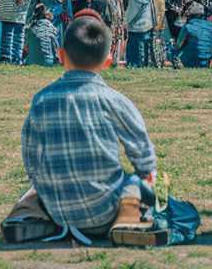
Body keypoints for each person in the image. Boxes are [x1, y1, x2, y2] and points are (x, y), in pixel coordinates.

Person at [9, 13, 161, 246]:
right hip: (105, 210)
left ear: (61, 55)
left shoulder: (41, 100)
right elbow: (141, 150)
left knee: (33, 190)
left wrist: (43, 184)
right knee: (134, 184)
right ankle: (127, 220)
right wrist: (147, 177)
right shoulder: (113, 100)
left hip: (57, 209)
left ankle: (25, 214)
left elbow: (32, 158)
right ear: (108, 61)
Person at [174, 3, 212, 68]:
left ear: (190, 15)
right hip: (206, 62)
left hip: (190, 62)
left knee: (170, 49)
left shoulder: (187, 27)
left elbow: (178, 46)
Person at [124, 0, 155, 68]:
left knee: (133, 48)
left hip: (135, 27)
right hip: (147, 25)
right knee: (145, 47)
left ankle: (133, 64)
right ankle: (144, 64)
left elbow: (130, 13)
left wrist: (126, 22)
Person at [98, 0, 126, 66]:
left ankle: (115, 61)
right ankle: (105, 60)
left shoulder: (119, 0)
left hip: (118, 24)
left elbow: (122, 12)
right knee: (109, 42)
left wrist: (123, 23)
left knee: (118, 42)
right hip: (110, 24)